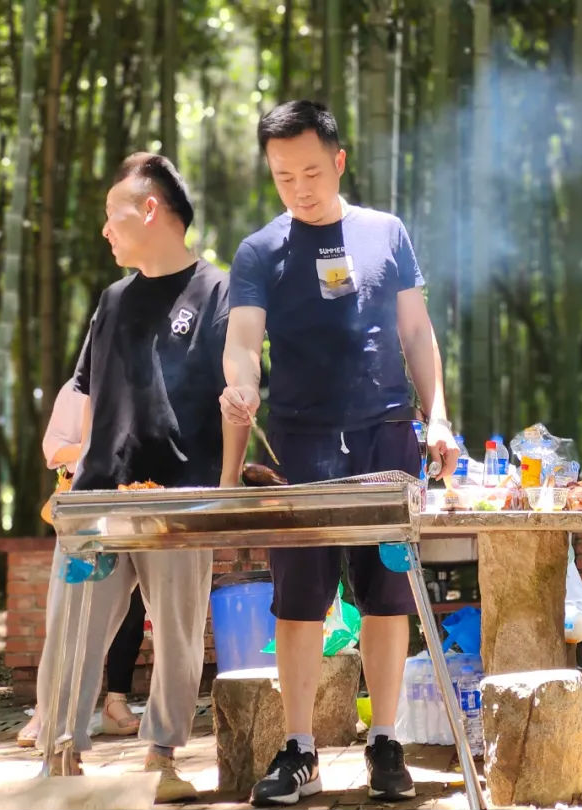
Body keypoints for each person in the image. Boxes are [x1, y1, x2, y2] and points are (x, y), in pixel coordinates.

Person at [220, 100, 458, 806]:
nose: (299, 187)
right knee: (297, 602)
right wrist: (240, 388)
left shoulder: (386, 234)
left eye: (312, 172)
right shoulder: (261, 250)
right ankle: (299, 750)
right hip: (299, 442)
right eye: (283, 175)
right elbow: (242, 340)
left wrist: (436, 415)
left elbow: (417, 334)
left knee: (387, 597)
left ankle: (386, 742)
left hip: (386, 435)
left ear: (340, 161)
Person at [35, 153, 240, 803]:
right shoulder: (113, 300)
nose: (104, 230)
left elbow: (236, 395)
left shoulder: (218, 292)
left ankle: (162, 755)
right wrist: (72, 464)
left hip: (182, 493)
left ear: (150, 210)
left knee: (177, 631)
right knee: (71, 626)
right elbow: (89, 393)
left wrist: (229, 484)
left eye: (110, 215)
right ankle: (60, 755)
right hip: (98, 494)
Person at [17, 381, 145, 747]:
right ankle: (48, 713)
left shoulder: (157, 375)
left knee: (134, 612)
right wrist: (96, 448)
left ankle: (115, 701)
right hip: (88, 509)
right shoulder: (77, 388)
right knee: (70, 614)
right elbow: (52, 450)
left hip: (143, 501)